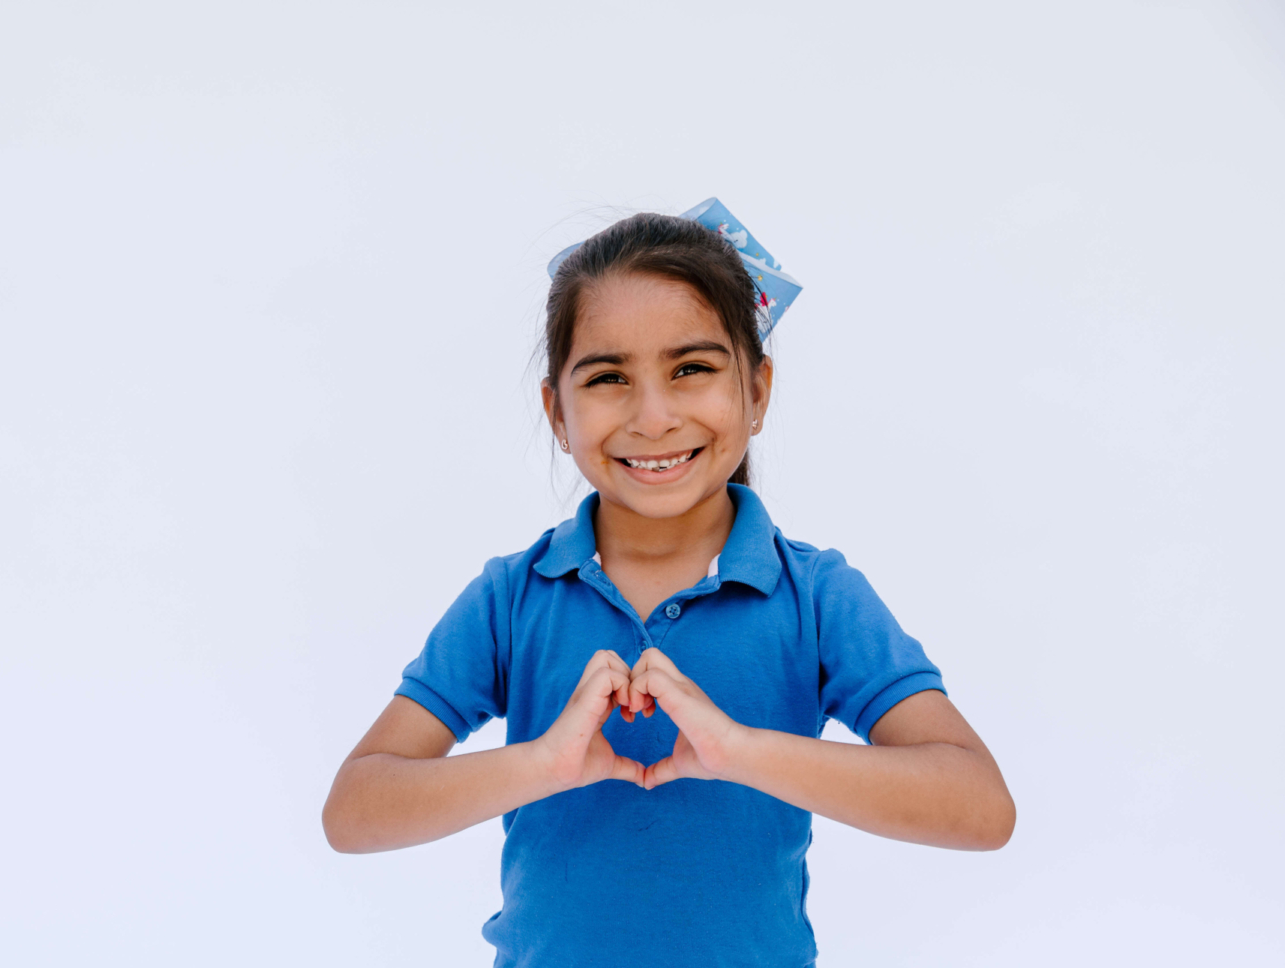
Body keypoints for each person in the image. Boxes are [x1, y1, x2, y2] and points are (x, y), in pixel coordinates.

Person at [321, 209, 1015, 966]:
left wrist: (741, 751)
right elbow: (355, 812)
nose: (653, 417)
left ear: (757, 391)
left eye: (691, 369)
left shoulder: (817, 596)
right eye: (609, 377)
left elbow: (979, 808)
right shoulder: (510, 598)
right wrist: (542, 764)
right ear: (558, 411)